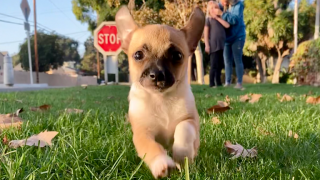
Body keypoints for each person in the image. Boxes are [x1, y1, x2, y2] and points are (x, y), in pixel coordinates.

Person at [215, 0, 246, 89]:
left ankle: (239, 83)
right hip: (227, 38)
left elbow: (234, 20)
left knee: (237, 59)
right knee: (227, 61)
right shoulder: (224, 5)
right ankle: (227, 82)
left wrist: (221, 13)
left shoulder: (238, 5)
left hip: (238, 36)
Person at [204, 1, 230, 88]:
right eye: (212, 8)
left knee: (220, 65)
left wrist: (218, 17)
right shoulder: (208, 20)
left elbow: (227, 25)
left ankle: (218, 82)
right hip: (213, 45)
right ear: (209, 10)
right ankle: (211, 83)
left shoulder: (221, 18)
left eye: (216, 7)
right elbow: (206, 34)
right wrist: (207, 45)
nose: (214, 10)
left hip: (221, 44)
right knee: (214, 65)